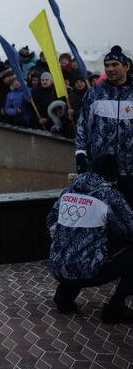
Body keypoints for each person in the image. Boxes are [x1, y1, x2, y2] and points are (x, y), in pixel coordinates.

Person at [47, 155, 133, 323]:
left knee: (79, 247)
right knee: (96, 252)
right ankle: (116, 307)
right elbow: (130, 228)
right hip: (88, 270)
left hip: (58, 265)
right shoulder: (108, 195)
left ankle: (65, 293)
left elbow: (50, 222)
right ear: (112, 176)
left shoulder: (68, 191)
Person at [76, 46, 133, 205]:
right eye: (107, 65)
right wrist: (80, 154)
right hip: (101, 172)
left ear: (126, 66)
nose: (110, 69)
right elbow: (83, 127)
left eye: (115, 64)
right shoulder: (94, 94)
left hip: (130, 170)